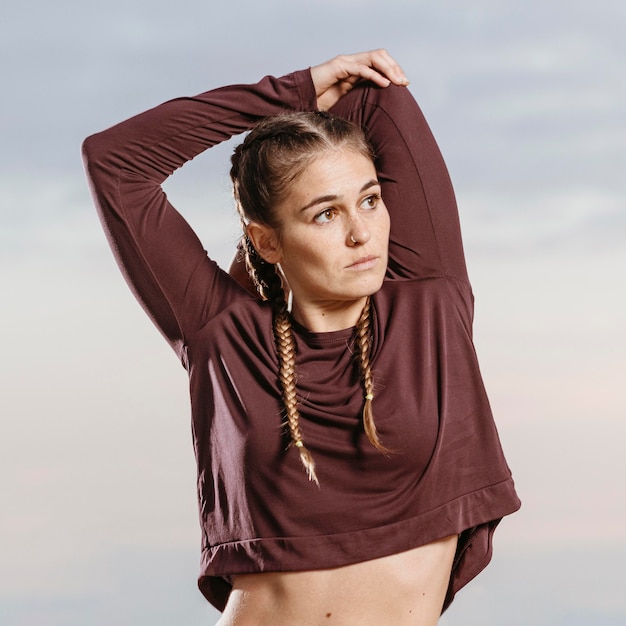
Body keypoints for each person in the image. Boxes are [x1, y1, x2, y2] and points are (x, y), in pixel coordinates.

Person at [83, 50, 520, 625]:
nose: (361, 231)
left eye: (369, 199)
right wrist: (291, 91)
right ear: (266, 242)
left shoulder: (429, 303)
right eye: (325, 215)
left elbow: (372, 90)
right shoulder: (223, 337)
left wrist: (318, 102)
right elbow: (114, 161)